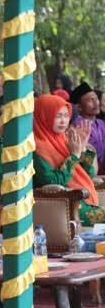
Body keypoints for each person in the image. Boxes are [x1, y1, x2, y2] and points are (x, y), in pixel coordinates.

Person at [33, 94, 104, 225]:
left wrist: (82, 148)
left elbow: (87, 174)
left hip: (80, 201)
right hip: (65, 205)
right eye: (58, 116)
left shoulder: (63, 140)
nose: (63, 121)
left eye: (66, 116)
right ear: (44, 116)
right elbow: (52, 182)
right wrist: (74, 155)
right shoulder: (37, 148)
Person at [71, 82, 105, 174]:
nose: (96, 103)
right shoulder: (77, 127)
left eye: (96, 99)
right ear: (79, 107)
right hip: (88, 172)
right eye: (90, 100)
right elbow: (83, 157)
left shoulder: (101, 123)